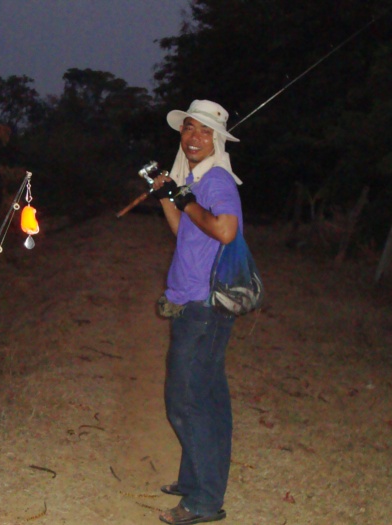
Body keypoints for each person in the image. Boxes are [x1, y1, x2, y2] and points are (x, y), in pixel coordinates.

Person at [150, 99, 243, 524]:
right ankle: (194, 481)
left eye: (205, 132)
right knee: (209, 399)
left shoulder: (218, 180)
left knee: (186, 401)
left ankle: (204, 503)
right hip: (195, 301)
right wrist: (169, 196)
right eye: (188, 128)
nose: (193, 137)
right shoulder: (198, 180)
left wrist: (185, 198)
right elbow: (182, 229)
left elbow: (224, 229)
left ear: (218, 140)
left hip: (203, 306)